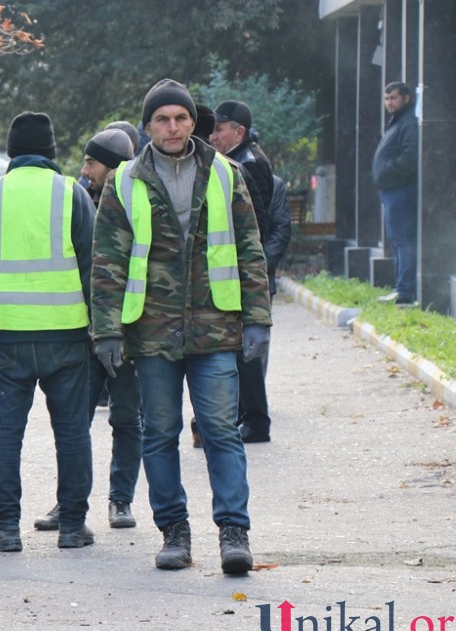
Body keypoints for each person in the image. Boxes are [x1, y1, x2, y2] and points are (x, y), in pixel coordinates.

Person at [91, 79, 271, 574]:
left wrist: (258, 319)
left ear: (195, 123)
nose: (173, 127)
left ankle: (234, 531)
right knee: (160, 433)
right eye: (162, 119)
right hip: (150, 331)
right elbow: (107, 259)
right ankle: (174, 531)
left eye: (182, 118)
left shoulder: (226, 174)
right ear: (147, 126)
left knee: (220, 430)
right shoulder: (123, 181)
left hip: (215, 328)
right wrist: (105, 330)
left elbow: (249, 249)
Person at [0, 111, 96, 552]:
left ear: (11, 152)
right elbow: (94, 268)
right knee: (72, 432)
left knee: (6, 434)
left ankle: (7, 529)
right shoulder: (72, 193)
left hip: (5, 339)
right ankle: (72, 527)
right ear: (52, 152)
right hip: (67, 337)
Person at [34, 127, 141, 532]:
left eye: (91, 162)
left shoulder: (136, 201)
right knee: (73, 421)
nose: (84, 169)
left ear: (112, 168)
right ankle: (70, 503)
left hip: (128, 330)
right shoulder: (74, 200)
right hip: (82, 331)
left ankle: (120, 500)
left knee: (127, 418)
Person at [210, 100, 275, 444]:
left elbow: (257, 224)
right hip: (238, 271)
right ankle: (246, 417)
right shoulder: (242, 159)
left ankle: (255, 421)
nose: (214, 135)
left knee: (246, 355)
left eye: (220, 129)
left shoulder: (247, 163)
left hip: (241, 273)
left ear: (239, 132)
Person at [372, 81, 418, 306]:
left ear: (406, 98)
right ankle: (402, 288)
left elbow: (411, 158)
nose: (389, 103)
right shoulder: (398, 121)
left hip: (401, 191)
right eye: (387, 98)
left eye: (394, 98)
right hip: (392, 191)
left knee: (403, 240)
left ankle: (405, 291)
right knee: (398, 240)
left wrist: (386, 171)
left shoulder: (408, 122)